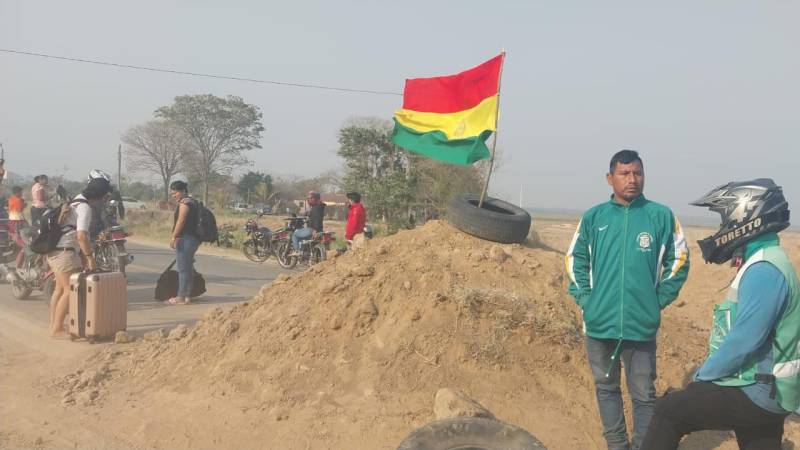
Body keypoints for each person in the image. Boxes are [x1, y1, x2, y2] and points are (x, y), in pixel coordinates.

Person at [641, 179, 798, 450]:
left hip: (758, 390)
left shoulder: (764, 269)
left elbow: (745, 340)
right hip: (770, 387)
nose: (723, 228)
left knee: (669, 411)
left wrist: (701, 378)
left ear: (746, 216)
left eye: (726, 219)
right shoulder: (767, 259)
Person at [565, 149, 690, 450]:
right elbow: (574, 260)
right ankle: (617, 446)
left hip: (640, 326)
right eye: (624, 173)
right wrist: (587, 300)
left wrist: (657, 300)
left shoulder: (660, 216)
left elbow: (680, 260)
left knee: (644, 395)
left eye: (637, 173)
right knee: (606, 389)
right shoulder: (594, 218)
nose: (632, 179)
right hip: (599, 326)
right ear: (610, 179)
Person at [48, 177, 110, 338]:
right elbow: (81, 236)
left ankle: (54, 324)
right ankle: (57, 329)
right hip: (65, 252)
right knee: (71, 291)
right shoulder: (84, 208)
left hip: (54, 250)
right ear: (100, 196)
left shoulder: (75, 200)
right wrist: (90, 257)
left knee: (60, 290)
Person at [167, 180, 200, 305]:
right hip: (194, 239)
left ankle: (180, 297)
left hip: (185, 239)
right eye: (172, 194)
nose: (173, 196)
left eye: (175, 193)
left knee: (183, 269)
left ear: (182, 191)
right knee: (188, 268)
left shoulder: (184, 204)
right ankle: (187, 295)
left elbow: (181, 221)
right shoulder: (193, 202)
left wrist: (174, 237)